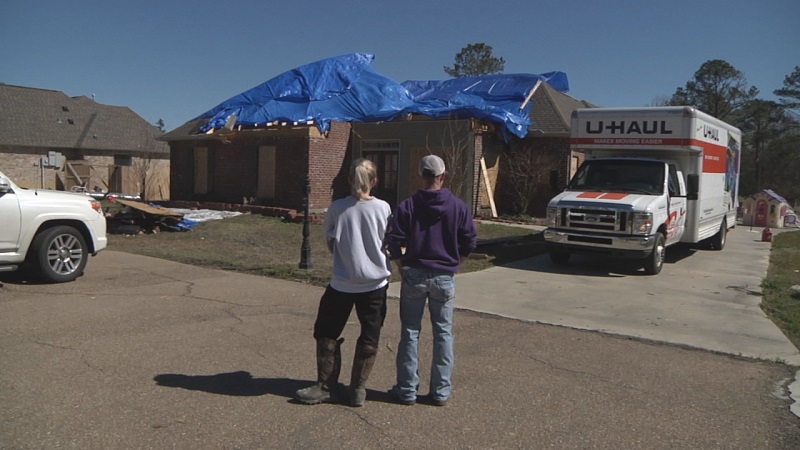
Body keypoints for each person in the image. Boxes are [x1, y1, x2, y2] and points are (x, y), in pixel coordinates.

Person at [295, 158, 392, 407]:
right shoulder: (384, 208)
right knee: (370, 334)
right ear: (375, 182)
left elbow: (330, 242)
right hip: (375, 284)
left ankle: (326, 385)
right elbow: (388, 242)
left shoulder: (337, 208)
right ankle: (357, 389)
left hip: (343, 282)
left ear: (349, 179)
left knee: (326, 331)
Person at [387, 154, 477, 406]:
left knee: (410, 332)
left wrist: (401, 265)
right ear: (443, 176)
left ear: (421, 175)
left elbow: (395, 240)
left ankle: (406, 389)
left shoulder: (408, 205)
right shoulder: (458, 206)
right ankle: (440, 391)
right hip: (444, 276)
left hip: (415, 271)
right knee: (444, 333)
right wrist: (457, 262)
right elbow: (470, 239)